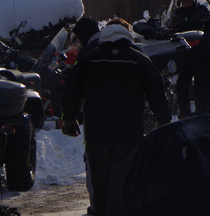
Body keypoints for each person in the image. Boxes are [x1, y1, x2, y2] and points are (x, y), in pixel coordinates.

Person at [61, 19, 171, 216]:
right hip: (128, 133)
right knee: (122, 179)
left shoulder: (89, 60)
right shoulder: (139, 59)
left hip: (96, 133)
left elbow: (71, 90)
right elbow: (156, 92)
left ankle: (99, 211)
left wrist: (69, 119)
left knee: (98, 180)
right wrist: (164, 119)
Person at [67, 17, 101, 216]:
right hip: (127, 121)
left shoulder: (87, 54)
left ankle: (97, 207)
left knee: (94, 166)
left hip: (95, 120)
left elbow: (74, 89)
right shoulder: (125, 49)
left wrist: (70, 117)